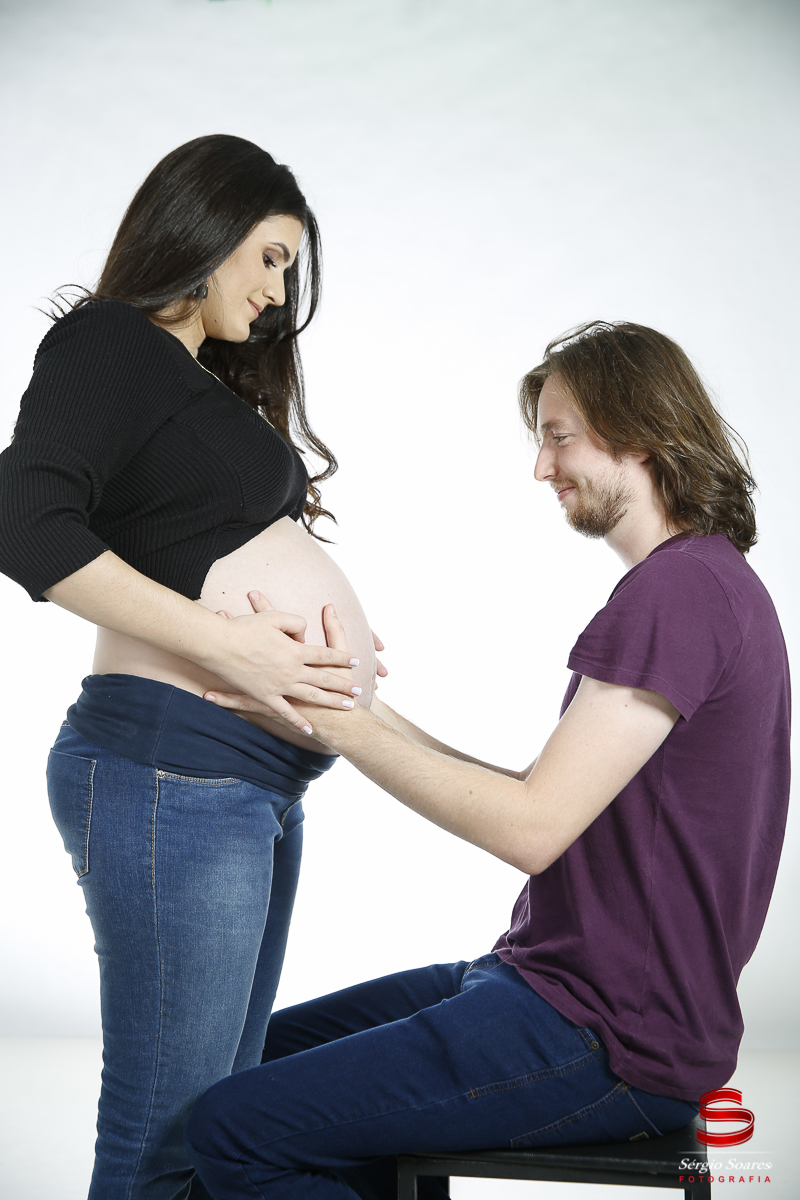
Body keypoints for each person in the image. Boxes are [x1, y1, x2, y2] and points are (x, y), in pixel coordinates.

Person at [184, 321, 791, 1200]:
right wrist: (350, 703)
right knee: (251, 1061)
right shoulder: (706, 581)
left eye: (558, 436)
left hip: (606, 1037)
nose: (542, 468)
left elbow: (532, 830)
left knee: (231, 1129)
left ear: (641, 429)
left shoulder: (677, 593)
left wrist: (341, 730)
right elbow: (549, 797)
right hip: (542, 981)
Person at [0, 134, 382, 1200]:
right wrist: (233, 644)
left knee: (219, 1123)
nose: (277, 290)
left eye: (288, 268)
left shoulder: (186, 381)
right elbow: (25, 524)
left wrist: (321, 644)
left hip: (238, 782)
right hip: (174, 774)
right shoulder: (110, 342)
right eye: (267, 256)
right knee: (164, 1145)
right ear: (203, 231)